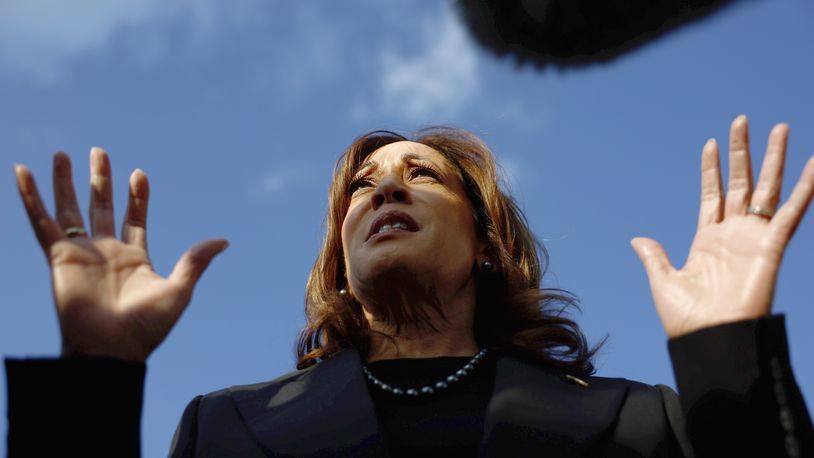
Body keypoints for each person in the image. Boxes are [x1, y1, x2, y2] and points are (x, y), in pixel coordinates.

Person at [6, 115, 814, 457]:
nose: (385, 190)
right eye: (363, 185)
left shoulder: (639, 422)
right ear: (340, 268)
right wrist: (95, 372)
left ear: (489, 245)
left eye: (418, 175)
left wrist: (726, 349)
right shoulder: (222, 429)